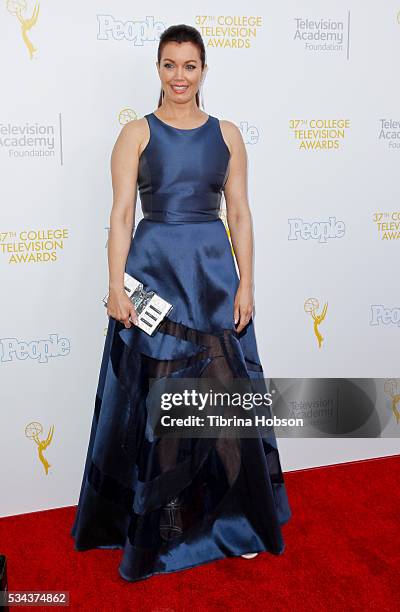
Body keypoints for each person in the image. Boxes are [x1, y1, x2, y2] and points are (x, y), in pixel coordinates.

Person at [70, 23, 292, 582]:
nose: (179, 77)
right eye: (169, 65)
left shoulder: (229, 134)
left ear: (204, 70)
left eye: (189, 66)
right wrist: (116, 284)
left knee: (223, 399)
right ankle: (162, 517)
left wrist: (247, 282)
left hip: (213, 275)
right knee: (161, 396)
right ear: (158, 69)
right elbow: (122, 215)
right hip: (155, 272)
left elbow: (238, 212)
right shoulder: (135, 133)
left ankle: (235, 519)